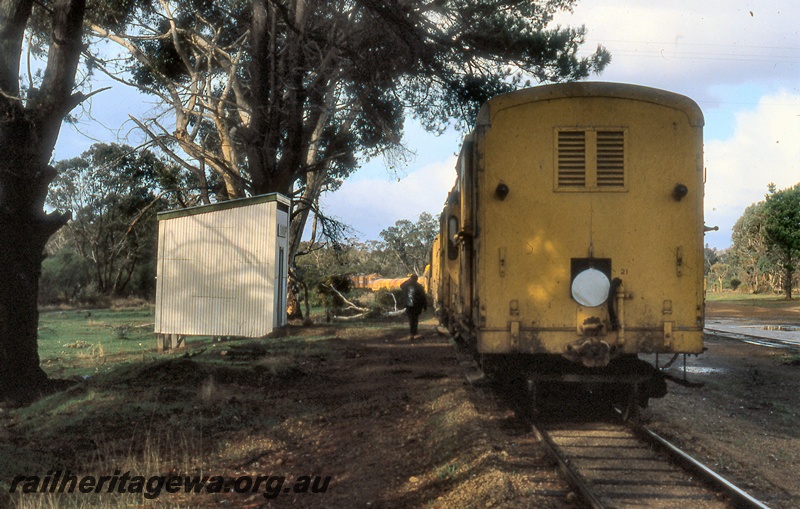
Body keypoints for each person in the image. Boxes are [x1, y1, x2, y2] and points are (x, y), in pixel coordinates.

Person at [400, 274, 427, 339]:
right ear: (417, 279)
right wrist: (424, 306)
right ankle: (414, 331)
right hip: (417, 305)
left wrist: (409, 280)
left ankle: (412, 332)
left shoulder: (406, 285)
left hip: (408, 304)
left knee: (411, 318)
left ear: (411, 278)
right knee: (415, 318)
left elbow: (401, 285)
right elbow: (423, 297)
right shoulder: (419, 286)